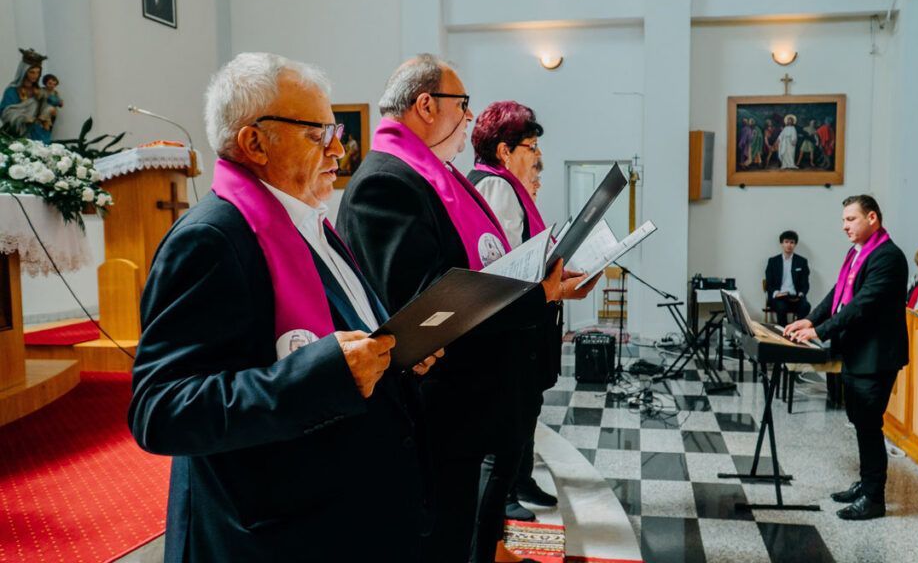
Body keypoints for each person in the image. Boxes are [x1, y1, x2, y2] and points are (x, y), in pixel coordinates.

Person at [127, 52, 440, 562]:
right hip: (276, 535)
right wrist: (323, 374)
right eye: (318, 134)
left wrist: (395, 353)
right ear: (255, 142)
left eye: (334, 129)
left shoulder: (311, 222)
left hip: (346, 516)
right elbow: (161, 410)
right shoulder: (211, 239)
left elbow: (347, 339)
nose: (338, 147)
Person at [337, 54, 591, 563]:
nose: (470, 117)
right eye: (463, 104)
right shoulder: (387, 181)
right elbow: (427, 301)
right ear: (426, 105)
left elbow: (475, 269)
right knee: (442, 538)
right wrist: (539, 294)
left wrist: (545, 284)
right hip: (434, 408)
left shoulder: (431, 176)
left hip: (461, 404)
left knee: (458, 529)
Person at [467, 101, 600, 554]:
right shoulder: (497, 187)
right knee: (499, 457)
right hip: (509, 342)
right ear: (505, 151)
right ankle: (486, 549)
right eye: (531, 146)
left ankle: (492, 543)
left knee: (507, 450)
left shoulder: (495, 184)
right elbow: (509, 271)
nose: (537, 155)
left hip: (513, 337)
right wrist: (554, 285)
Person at [785, 194, 908, 521]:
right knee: (859, 421)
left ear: (872, 218)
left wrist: (820, 331)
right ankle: (866, 483)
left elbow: (862, 304)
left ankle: (874, 498)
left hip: (876, 355)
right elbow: (837, 294)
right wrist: (811, 319)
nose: (844, 226)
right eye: (843, 220)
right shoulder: (859, 252)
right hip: (857, 351)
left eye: (850, 219)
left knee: (869, 424)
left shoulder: (887, 257)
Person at [0, 48, 48, 141]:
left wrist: (45, 116)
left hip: (36, 132)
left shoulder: (39, 91)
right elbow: (5, 112)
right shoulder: (12, 91)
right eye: (32, 72)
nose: (35, 76)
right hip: (18, 134)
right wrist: (22, 119)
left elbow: (45, 109)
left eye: (38, 72)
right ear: (24, 72)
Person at [765, 229, 810, 325]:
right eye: (786, 242)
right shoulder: (773, 261)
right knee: (781, 307)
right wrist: (777, 293)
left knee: (806, 306)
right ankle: (783, 331)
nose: (789, 245)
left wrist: (801, 293)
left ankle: (797, 330)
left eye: (792, 242)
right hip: (779, 297)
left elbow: (805, 284)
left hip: (795, 297)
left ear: (795, 244)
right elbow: (769, 284)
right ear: (781, 243)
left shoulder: (801, 262)